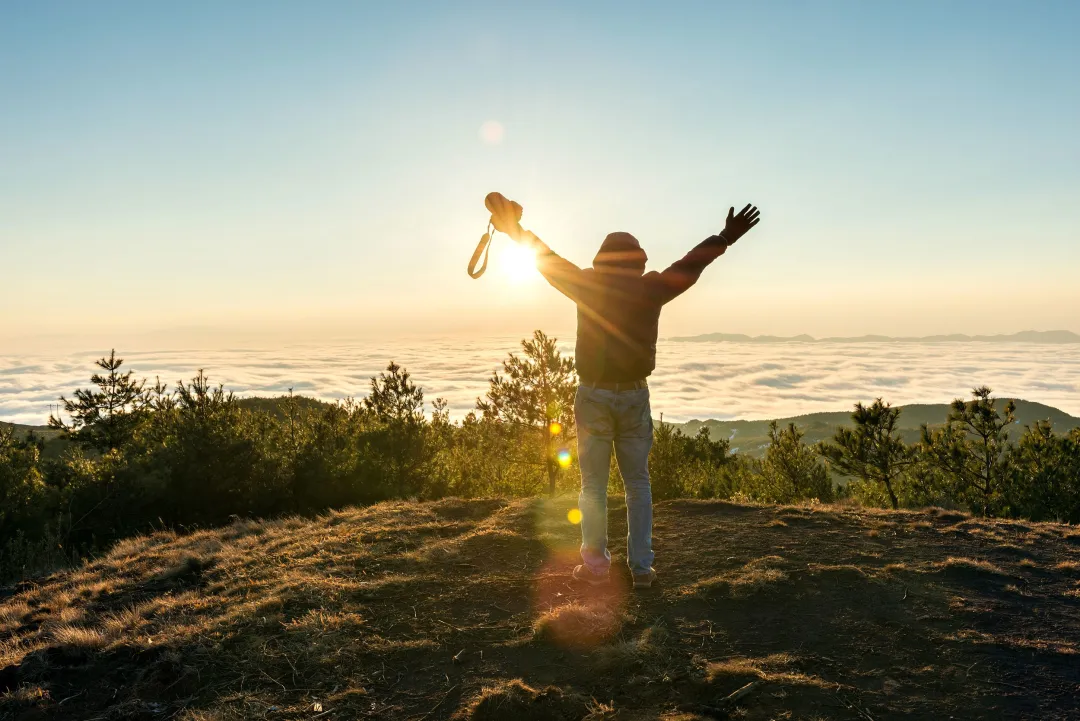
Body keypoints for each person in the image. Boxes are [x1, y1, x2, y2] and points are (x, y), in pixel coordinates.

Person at [488, 197, 761, 589]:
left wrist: (515, 230)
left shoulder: (586, 284)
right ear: (639, 261)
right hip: (634, 396)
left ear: (601, 261)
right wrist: (724, 237)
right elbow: (690, 264)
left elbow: (546, 259)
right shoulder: (651, 289)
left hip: (593, 395)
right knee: (638, 484)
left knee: (592, 486)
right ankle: (642, 569)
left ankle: (596, 568)